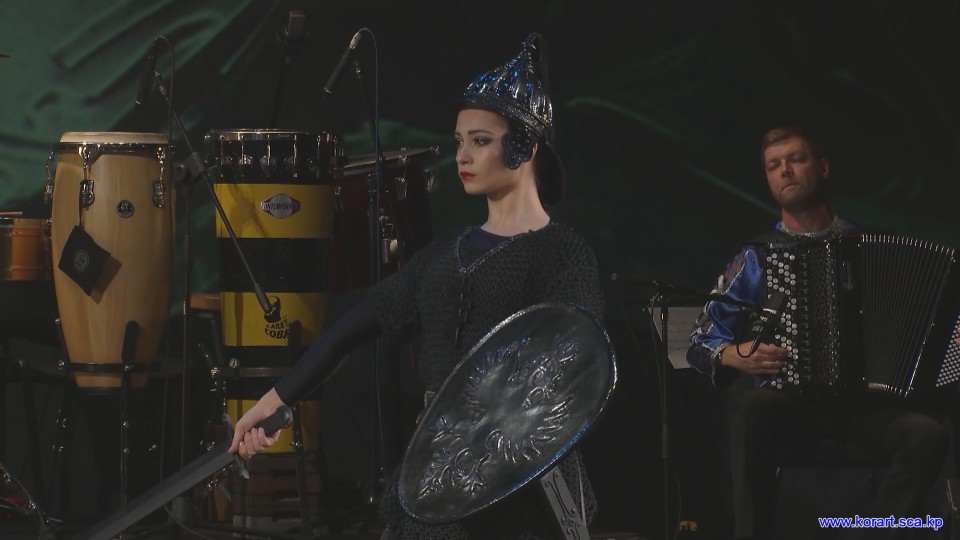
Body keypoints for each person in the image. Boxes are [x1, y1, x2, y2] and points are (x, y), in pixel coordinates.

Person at [228, 33, 605, 539]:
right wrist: (275, 400)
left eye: (480, 141)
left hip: (524, 485)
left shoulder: (562, 252)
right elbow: (348, 332)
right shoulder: (444, 255)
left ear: (525, 146)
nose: (463, 155)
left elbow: (576, 368)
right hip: (438, 474)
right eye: (459, 141)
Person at [687, 125, 949, 540]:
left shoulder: (867, 244)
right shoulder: (757, 257)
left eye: (796, 159)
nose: (785, 171)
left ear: (823, 168)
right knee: (752, 412)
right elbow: (700, 339)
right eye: (774, 165)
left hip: (866, 409)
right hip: (791, 409)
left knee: (927, 436)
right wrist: (733, 354)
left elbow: (924, 321)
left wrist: (950, 342)